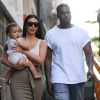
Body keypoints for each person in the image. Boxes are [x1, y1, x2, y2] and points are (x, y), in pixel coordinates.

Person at [45, 3, 94, 100]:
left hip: (78, 77)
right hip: (59, 78)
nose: (66, 15)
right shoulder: (50, 34)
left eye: (67, 12)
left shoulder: (81, 32)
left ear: (71, 13)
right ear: (58, 15)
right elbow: (47, 59)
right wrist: (48, 79)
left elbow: (89, 54)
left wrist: (90, 68)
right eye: (63, 13)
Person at [1, 14, 47, 100]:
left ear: (38, 27)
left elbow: (40, 61)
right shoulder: (15, 40)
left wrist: (23, 51)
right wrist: (13, 66)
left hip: (36, 77)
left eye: (36, 24)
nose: (33, 26)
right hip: (18, 78)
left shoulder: (42, 42)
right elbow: (3, 59)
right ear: (25, 25)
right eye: (30, 23)